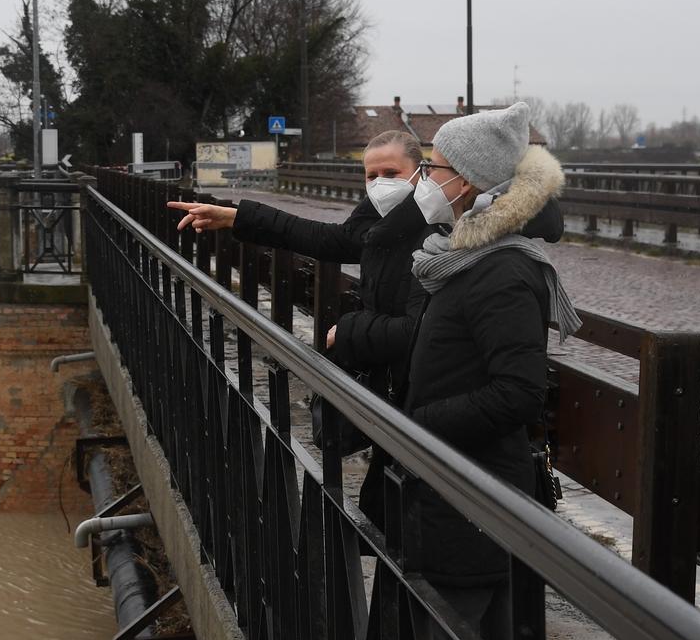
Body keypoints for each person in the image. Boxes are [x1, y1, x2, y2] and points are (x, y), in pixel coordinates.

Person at [167, 130, 563, 525]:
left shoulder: (447, 237)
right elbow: (331, 238)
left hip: (431, 425)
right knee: (398, 531)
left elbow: (429, 334)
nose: (380, 184)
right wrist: (239, 217)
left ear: (427, 173)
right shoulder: (393, 218)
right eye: (371, 175)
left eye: (395, 171)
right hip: (410, 414)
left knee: (421, 540)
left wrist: (352, 333)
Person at [400, 101, 581, 640]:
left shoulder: (502, 272)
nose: (425, 178)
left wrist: (419, 425)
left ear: (471, 183)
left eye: (434, 167)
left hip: (473, 502)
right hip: (460, 496)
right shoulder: (466, 258)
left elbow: (519, 391)